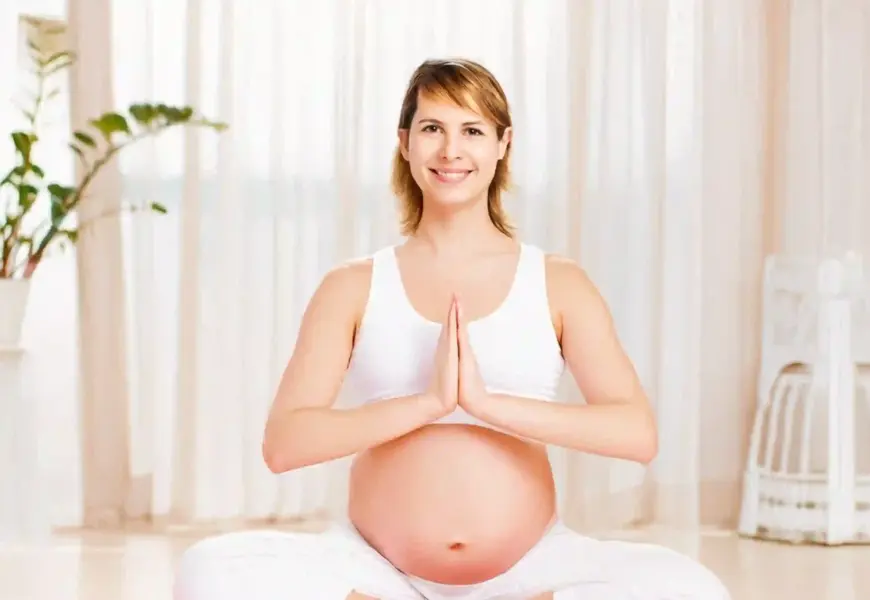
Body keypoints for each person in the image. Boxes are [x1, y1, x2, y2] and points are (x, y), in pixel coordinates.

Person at [173, 58, 731, 600]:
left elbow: (636, 433)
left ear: (502, 144)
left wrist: (487, 405)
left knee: (692, 590)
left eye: (472, 130)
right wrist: (429, 402)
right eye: (432, 128)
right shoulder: (352, 286)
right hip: (374, 569)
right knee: (211, 571)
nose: (451, 150)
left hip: (530, 568)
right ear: (405, 142)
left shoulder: (558, 282)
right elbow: (284, 444)